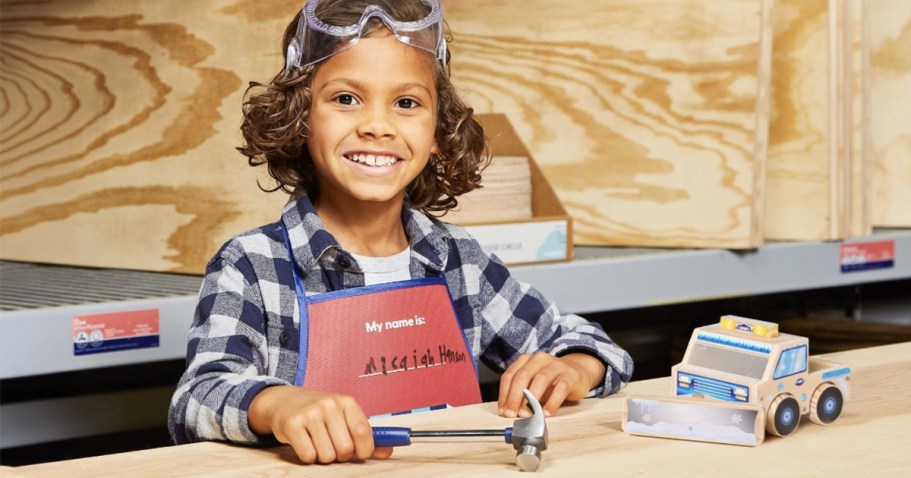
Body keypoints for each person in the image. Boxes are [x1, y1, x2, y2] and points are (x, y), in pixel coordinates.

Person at [168, 0, 633, 465]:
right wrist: (275, 405)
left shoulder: (458, 261)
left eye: (406, 103)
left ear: (437, 132)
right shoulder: (252, 264)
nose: (377, 126)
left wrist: (573, 368)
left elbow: (590, 343)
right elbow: (197, 399)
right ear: (301, 117)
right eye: (346, 99)